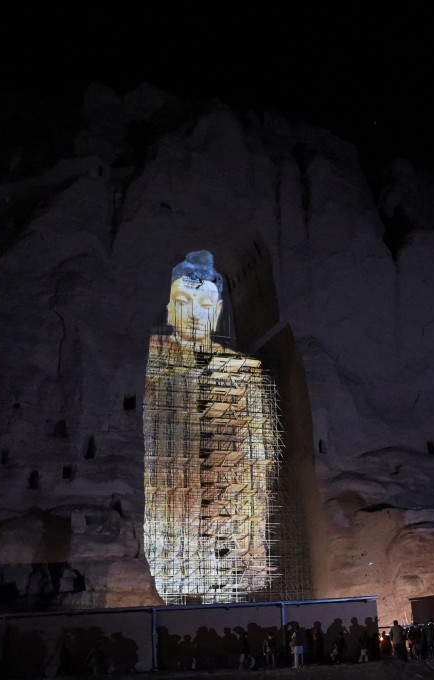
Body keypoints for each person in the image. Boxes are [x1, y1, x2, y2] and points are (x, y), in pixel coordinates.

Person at [144, 250, 279, 602]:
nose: (194, 314)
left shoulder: (244, 370)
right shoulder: (151, 359)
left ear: (217, 311)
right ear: (171, 306)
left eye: (206, 304)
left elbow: (261, 452)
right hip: (171, 501)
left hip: (231, 501)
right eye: (185, 302)